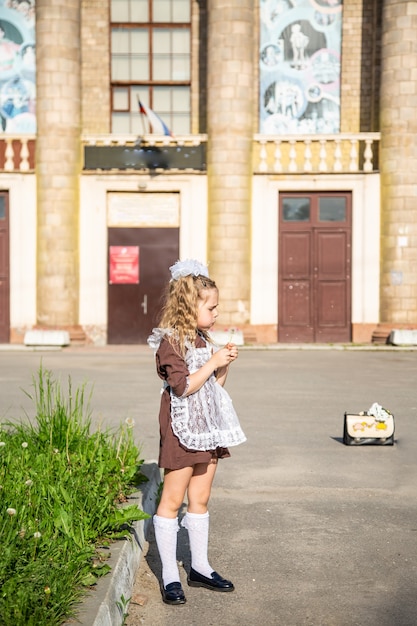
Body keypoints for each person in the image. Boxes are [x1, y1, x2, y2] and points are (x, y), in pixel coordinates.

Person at [147, 259, 246, 606]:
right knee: (172, 500)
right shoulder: (169, 343)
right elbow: (183, 387)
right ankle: (170, 574)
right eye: (211, 306)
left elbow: (213, 386)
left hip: (207, 426)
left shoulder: (203, 339)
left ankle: (200, 566)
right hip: (181, 427)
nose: (217, 312)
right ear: (190, 306)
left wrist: (223, 365)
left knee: (200, 498)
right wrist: (212, 363)